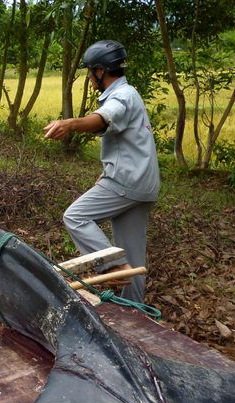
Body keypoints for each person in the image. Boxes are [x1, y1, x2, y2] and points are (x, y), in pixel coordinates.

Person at [43, 40, 160, 304]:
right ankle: (136, 309)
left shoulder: (121, 96)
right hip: (143, 185)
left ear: (100, 70)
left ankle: (112, 265)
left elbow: (104, 118)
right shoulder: (130, 93)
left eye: (89, 71)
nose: (88, 77)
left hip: (126, 182)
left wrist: (69, 124)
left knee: (75, 217)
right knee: (132, 256)